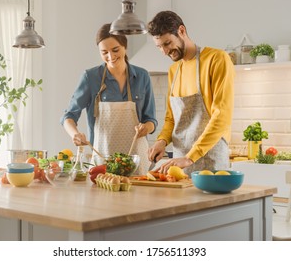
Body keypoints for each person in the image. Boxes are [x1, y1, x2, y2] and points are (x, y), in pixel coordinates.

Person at [60, 23, 157, 174]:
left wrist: (146, 128)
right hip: (102, 161)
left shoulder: (142, 76)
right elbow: (69, 116)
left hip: (137, 161)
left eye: (115, 50)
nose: (110, 57)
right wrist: (75, 134)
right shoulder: (90, 77)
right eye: (104, 52)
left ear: (125, 47)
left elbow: (151, 119)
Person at [147, 11, 235, 176]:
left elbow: (221, 116)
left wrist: (190, 157)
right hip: (180, 163)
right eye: (159, 46)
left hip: (211, 160)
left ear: (181, 31)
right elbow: (171, 118)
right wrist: (162, 141)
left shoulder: (216, 59)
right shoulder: (174, 71)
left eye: (167, 43)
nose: (164, 52)